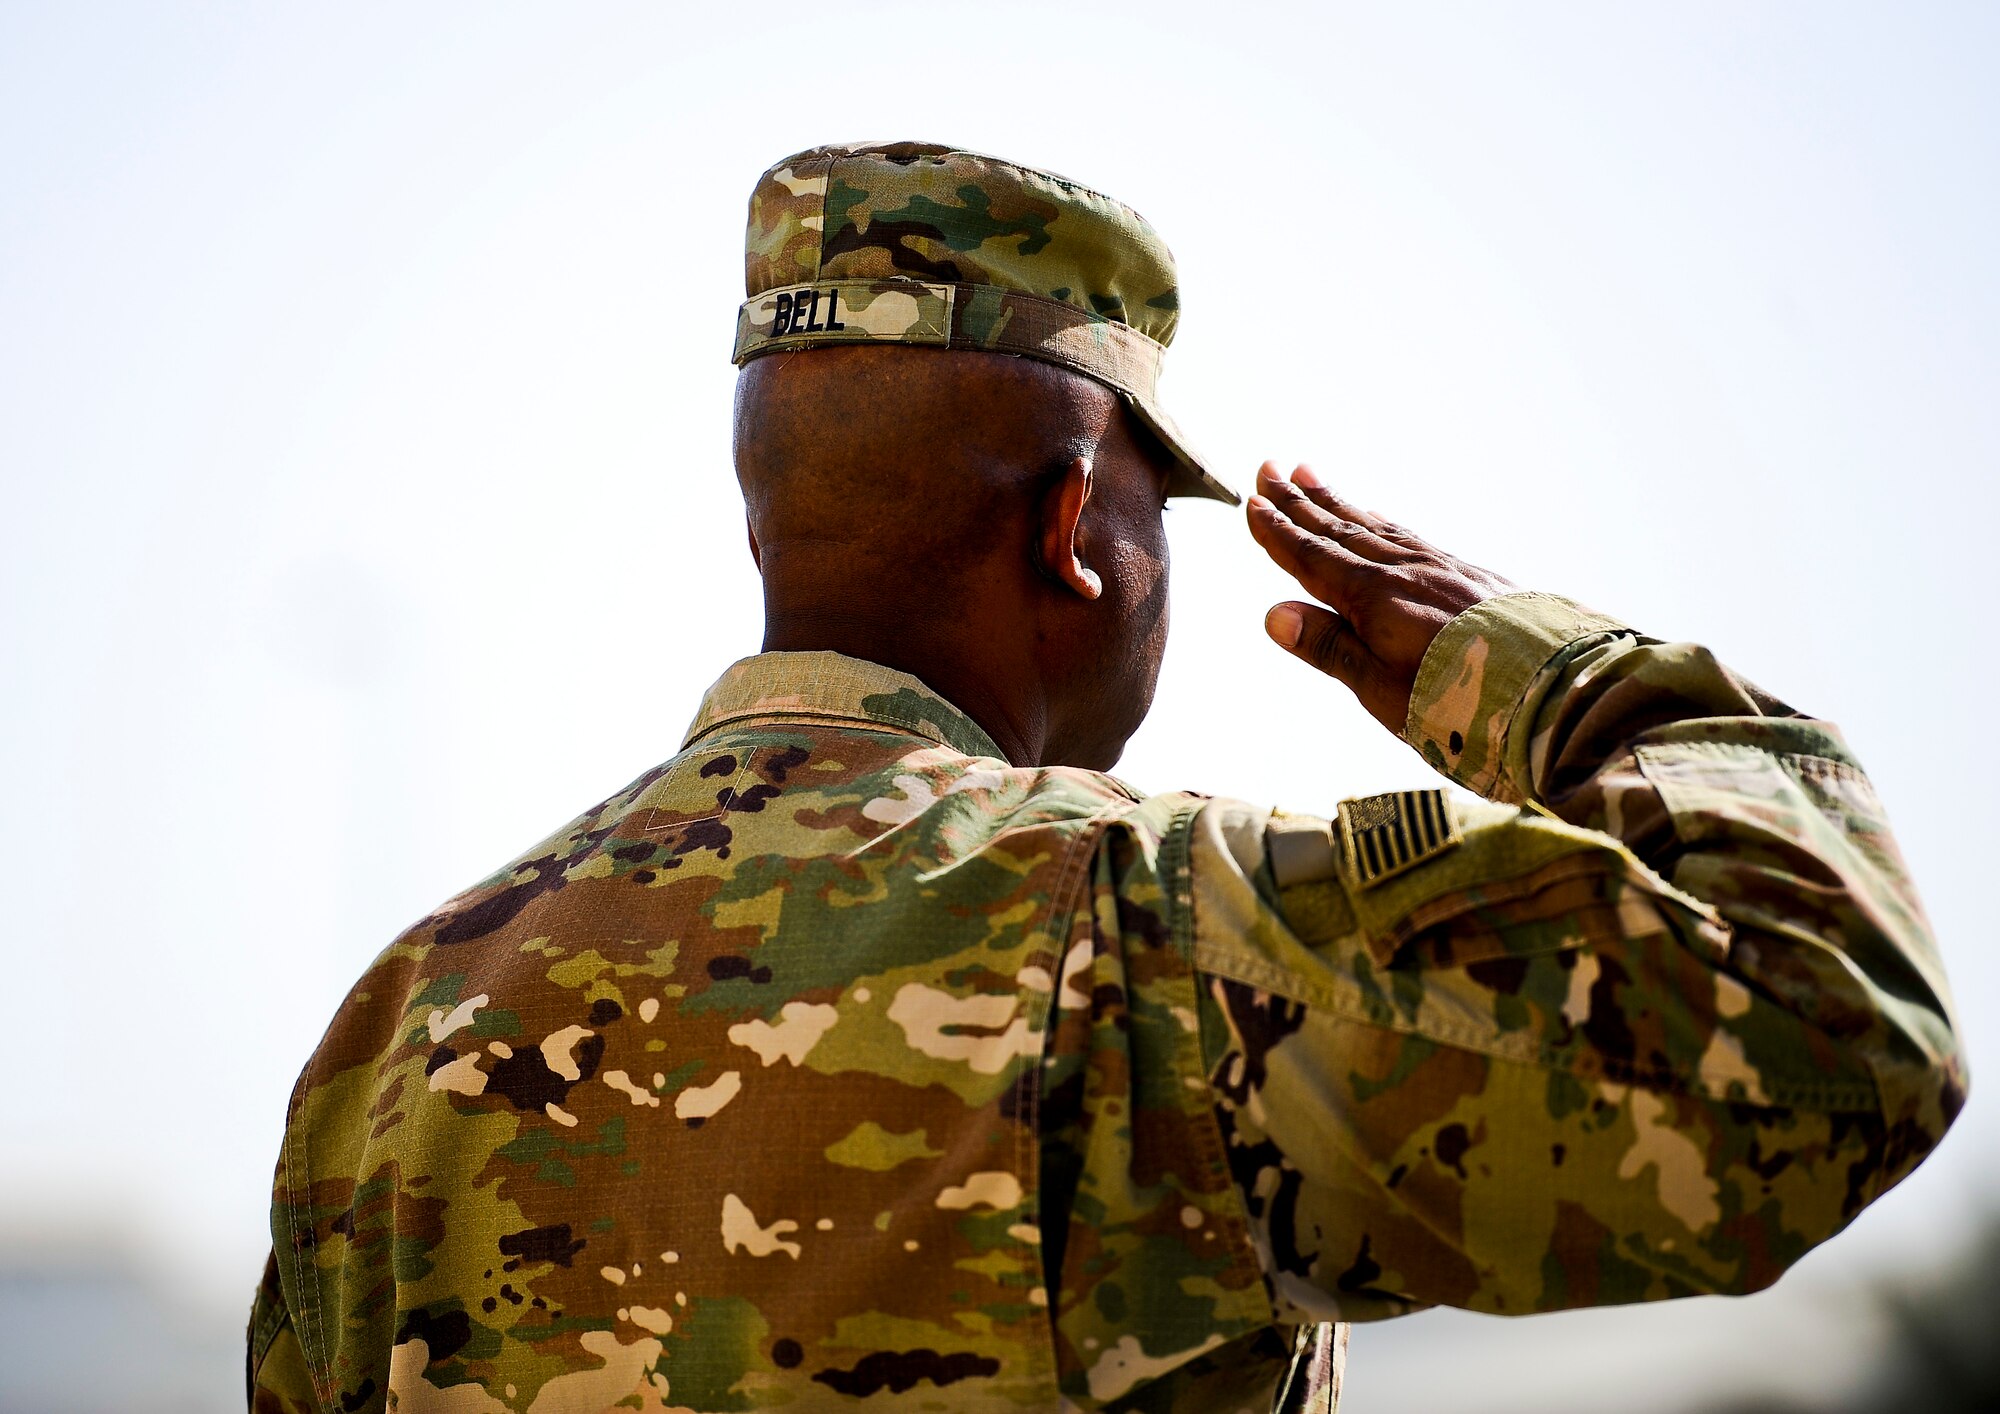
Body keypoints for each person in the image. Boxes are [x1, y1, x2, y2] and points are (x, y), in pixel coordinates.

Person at [247, 142, 1967, 1414]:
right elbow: (1835, 1032)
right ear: (1075, 527)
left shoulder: (394, 1027)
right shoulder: (1131, 930)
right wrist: (1551, 681)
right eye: (1163, 513)